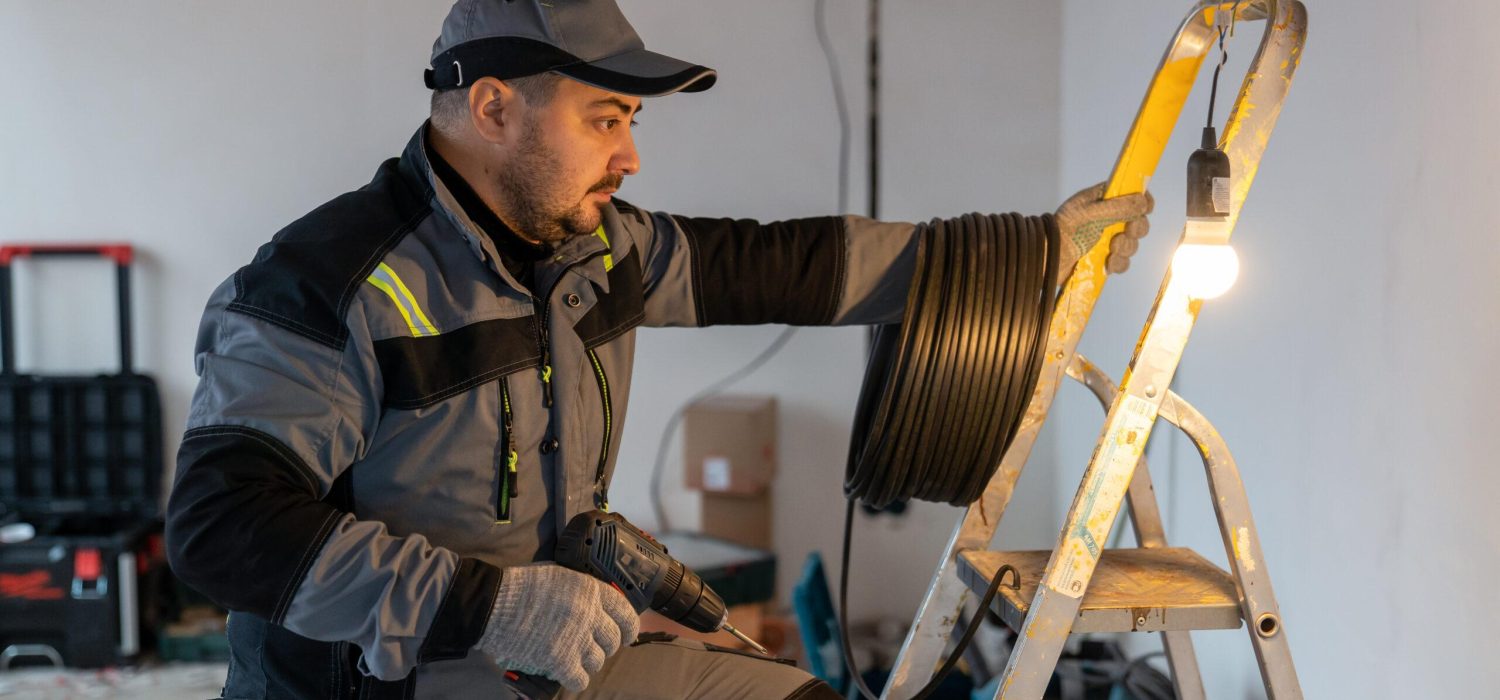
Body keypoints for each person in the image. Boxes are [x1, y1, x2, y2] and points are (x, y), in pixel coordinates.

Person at [164, 1, 1153, 698]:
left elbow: (776, 264)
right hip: (390, 684)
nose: (630, 154)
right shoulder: (319, 287)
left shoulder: (598, 248)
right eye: (605, 119)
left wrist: (1028, 249)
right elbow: (219, 529)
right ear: (495, 107)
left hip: (549, 666)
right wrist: (490, 606)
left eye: (629, 120)